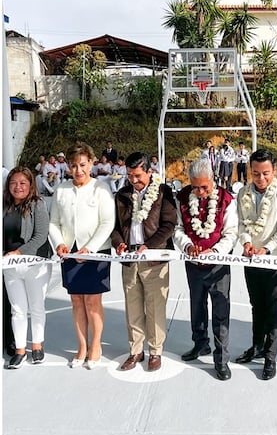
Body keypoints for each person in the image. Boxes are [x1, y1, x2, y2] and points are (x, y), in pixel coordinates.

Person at [48, 143, 115, 369]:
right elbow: (53, 222)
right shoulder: (62, 190)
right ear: (68, 166)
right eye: (74, 165)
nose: (78, 170)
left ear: (92, 163)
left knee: (93, 301)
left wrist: (91, 249)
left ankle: (96, 345)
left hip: (96, 253)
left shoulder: (101, 188)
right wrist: (59, 244)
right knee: (76, 300)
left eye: (83, 165)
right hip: (69, 252)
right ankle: (82, 346)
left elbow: (107, 222)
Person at [110, 152, 178, 372]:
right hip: (129, 260)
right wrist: (119, 243)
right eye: (130, 175)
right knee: (133, 307)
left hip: (154, 259)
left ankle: (155, 351)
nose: (134, 180)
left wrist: (149, 246)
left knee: (155, 306)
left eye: (138, 175)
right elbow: (115, 227)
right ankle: (136, 351)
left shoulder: (163, 192)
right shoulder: (121, 195)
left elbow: (169, 224)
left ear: (150, 171)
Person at [234, 148, 277, 380]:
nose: (261, 179)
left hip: (274, 260)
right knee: (256, 305)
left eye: (266, 173)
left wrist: (267, 248)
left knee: (272, 308)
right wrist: (247, 243)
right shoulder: (243, 193)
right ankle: (257, 346)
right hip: (251, 259)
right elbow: (241, 223)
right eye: (256, 174)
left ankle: (270, 357)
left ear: (276, 170)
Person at [174, 159, 238, 380]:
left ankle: (221, 359)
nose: (200, 192)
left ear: (213, 180)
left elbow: (231, 233)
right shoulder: (182, 198)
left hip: (218, 264)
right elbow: (178, 229)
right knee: (197, 306)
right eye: (195, 187)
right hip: (193, 264)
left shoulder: (227, 199)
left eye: (205, 187)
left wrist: (215, 251)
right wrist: (187, 245)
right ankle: (200, 344)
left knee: (220, 311)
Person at [3, 167, 52, 368]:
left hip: (34, 263)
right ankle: (20, 349)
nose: (18, 187)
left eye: (23, 182)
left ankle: (38, 346)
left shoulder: (37, 204)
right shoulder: (5, 206)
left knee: (36, 306)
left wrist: (19, 253)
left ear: (31, 185)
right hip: (10, 265)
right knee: (17, 309)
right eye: (14, 182)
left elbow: (40, 236)